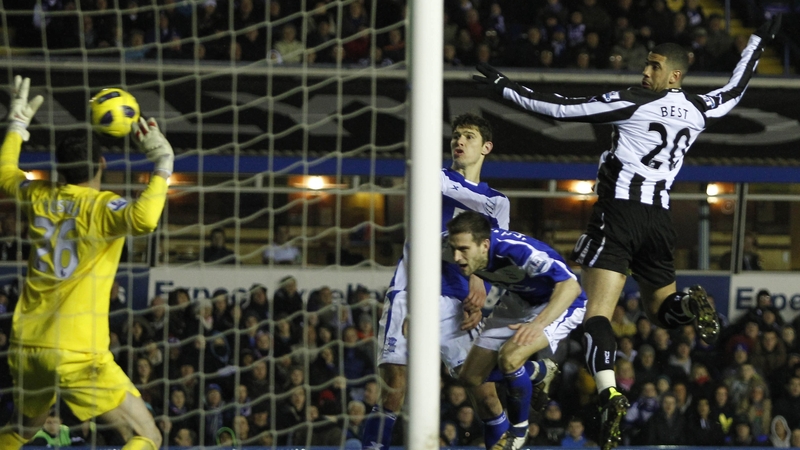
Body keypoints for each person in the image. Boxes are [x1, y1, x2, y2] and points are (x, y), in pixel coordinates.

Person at [473, 14, 782, 450]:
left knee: (597, 314)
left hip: (618, 213)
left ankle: (610, 392)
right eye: (647, 63)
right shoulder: (699, 109)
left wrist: (504, 87)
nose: (645, 70)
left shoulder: (632, 101)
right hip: (660, 219)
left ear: (674, 75)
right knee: (661, 312)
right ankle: (689, 305)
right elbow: (736, 88)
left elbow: (560, 108)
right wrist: (756, 43)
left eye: (654, 66)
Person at [0, 76, 173, 450]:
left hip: (28, 344)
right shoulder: (103, 208)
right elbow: (145, 219)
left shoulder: (38, 196)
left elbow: (5, 175)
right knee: (147, 436)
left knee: (21, 430)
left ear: (59, 168)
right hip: (77, 352)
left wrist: (16, 126)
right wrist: (162, 163)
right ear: (102, 163)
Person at [361, 113, 510, 450]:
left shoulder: (498, 202)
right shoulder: (434, 178)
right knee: (395, 388)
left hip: (458, 303)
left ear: (486, 147)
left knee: (487, 396)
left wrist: (479, 288)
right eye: (456, 135)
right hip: (411, 293)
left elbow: (496, 252)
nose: (459, 141)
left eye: (469, 136)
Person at [448, 211, 586, 450]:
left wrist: (538, 324)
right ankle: (539, 371)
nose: (456, 256)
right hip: (518, 300)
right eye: (453, 249)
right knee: (470, 377)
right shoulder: (454, 249)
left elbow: (571, 286)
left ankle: (518, 432)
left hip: (559, 302)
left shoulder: (519, 251)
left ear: (485, 245)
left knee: (510, 358)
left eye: (463, 250)